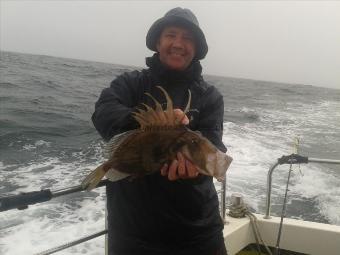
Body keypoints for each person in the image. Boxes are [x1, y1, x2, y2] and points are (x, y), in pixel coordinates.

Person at [92, 7, 228, 255]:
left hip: (198, 232)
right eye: (171, 34)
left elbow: (214, 150)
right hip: (133, 232)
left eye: (188, 38)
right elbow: (103, 112)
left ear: (196, 49)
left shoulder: (210, 97)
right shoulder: (130, 83)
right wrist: (149, 126)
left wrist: (195, 170)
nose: (178, 43)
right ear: (158, 42)